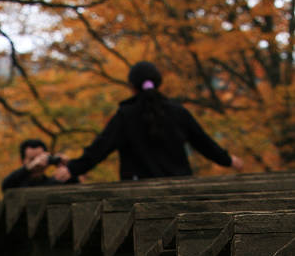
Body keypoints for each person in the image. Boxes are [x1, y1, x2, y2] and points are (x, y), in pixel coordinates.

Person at [64, 61, 244, 181]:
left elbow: (100, 148)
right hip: (181, 190)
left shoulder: (125, 116)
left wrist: (72, 169)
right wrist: (228, 160)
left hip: (138, 194)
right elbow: (203, 142)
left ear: (132, 86)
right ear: (159, 83)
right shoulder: (178, 112)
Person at [1, 138, 77, 192]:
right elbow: (5, 185)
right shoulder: (17, 183)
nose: (38, 163)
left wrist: (68, 167)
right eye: (32, 159)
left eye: (40, 158)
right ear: (22, 161)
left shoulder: (52, 183)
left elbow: (75, 186)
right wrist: (29, 168)